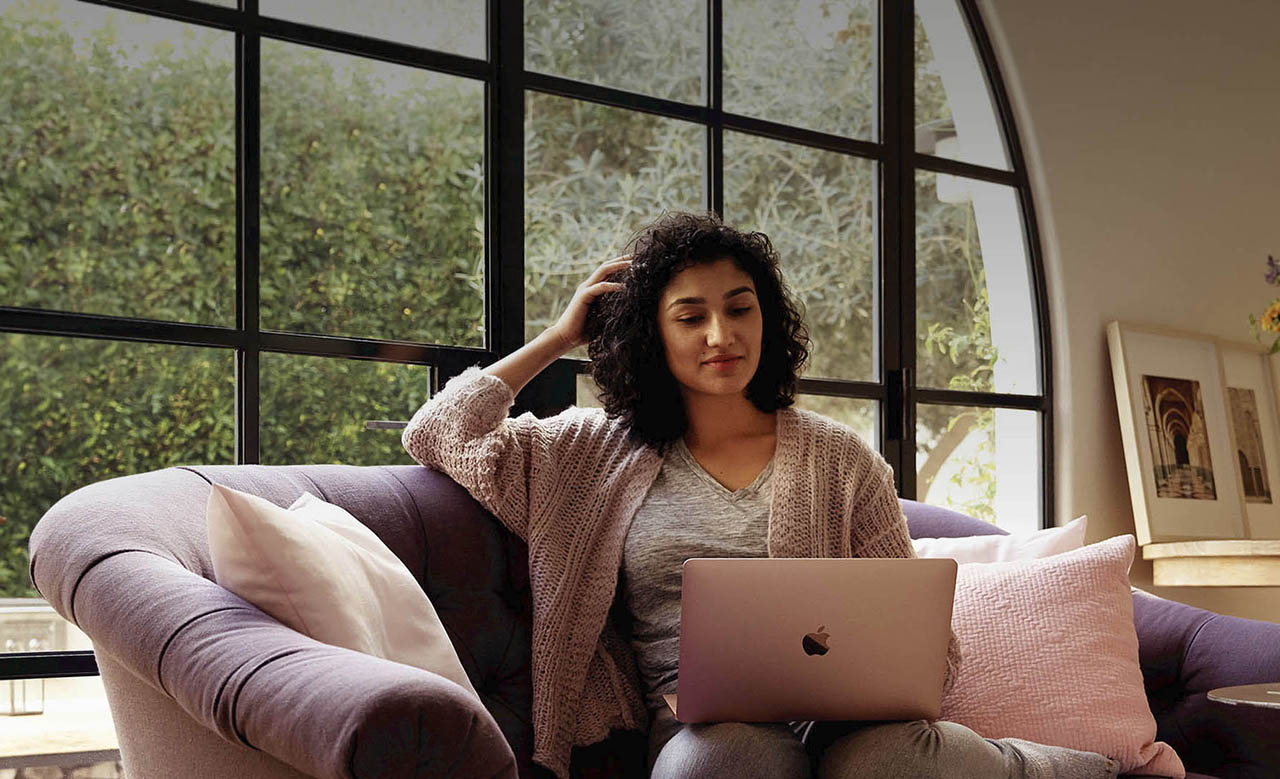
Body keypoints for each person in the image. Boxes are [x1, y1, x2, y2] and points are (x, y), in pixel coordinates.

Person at [401, 211, 1119, 779]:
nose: (722, 334)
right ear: (651, 332)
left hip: (854, 728)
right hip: (702, 726)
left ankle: (1037, 765)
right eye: (690, 316)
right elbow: (439, 430)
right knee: (715, 766)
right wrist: (559, 337)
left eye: (739, 308)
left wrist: (876, 683)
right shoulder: (589, 453)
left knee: (884, 762)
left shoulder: (843, 461)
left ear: (764, 318)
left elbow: (934, 651)